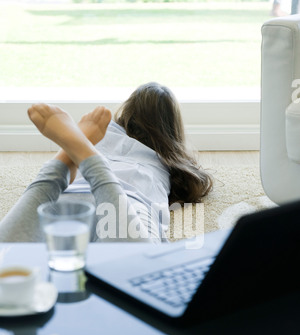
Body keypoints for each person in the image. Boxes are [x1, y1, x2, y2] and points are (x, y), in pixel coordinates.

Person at [0, 82, 212, 244]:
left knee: (9, 261)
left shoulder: (105, 132)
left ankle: (68, 158)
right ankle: (83, 155)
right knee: (131, 274)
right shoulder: (168, 161)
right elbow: (195, 186)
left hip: (69, 195)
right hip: (128, 203)